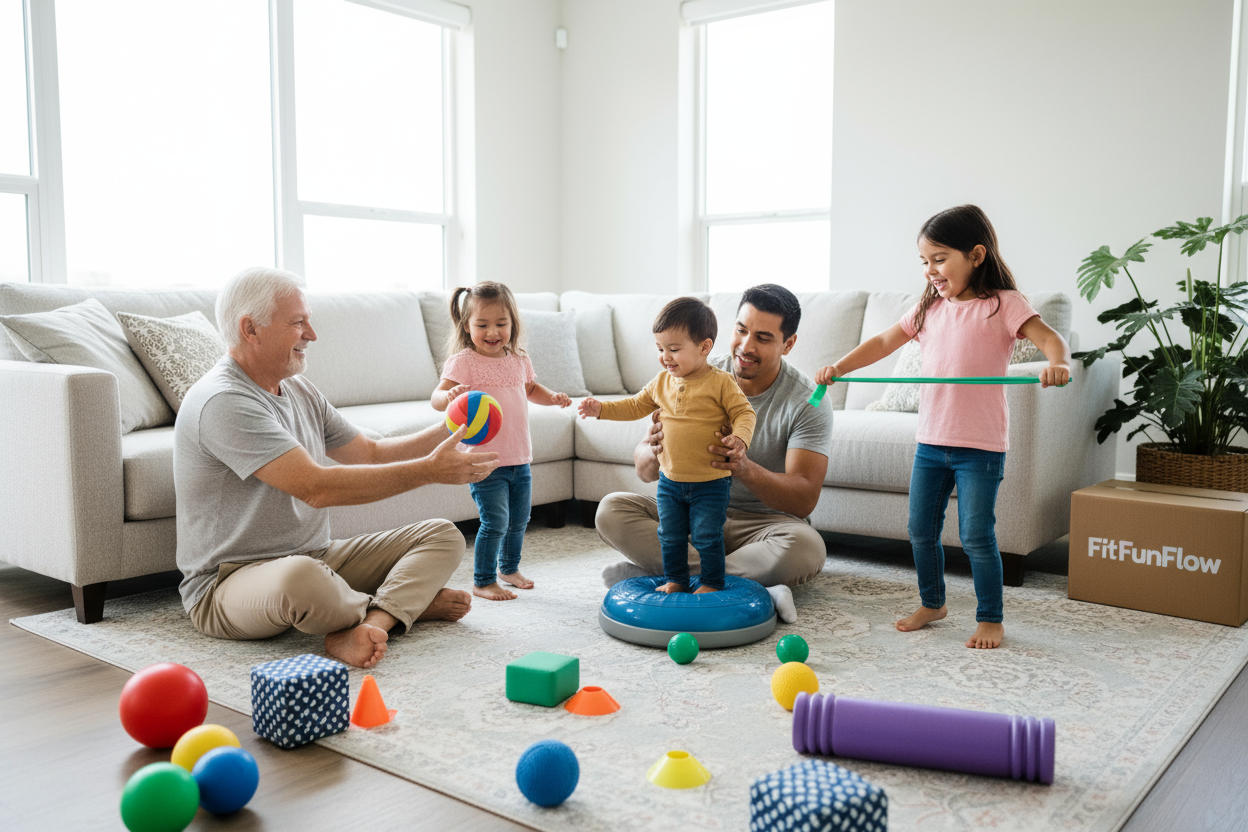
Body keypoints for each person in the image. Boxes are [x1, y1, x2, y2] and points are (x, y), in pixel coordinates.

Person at [175, 267, 499, 669]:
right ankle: (403, 604)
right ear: (250, 329)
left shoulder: (297, 387)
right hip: (227, 583)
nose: (312, 334)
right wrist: (430, 470)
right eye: (299, 323)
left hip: (316, 556)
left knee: (443, 536)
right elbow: (317, 487)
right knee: (302, 579)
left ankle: (376, 619)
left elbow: (370, 451)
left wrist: (452, 425)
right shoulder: (223, 400)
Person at [816, 205, 1071, 649]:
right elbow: (881, 342)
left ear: (976, 255)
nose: (930, 270)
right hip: (931, 442)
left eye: (939, 258)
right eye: (924, 262)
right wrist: (839, 367)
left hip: (981, 446)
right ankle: (933, 602)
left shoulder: (1003, 305)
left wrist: (1058, 362)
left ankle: (990, 617)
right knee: (919, 530)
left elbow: (1049, 338)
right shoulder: (929, 307)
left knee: (976, 534)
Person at [594, 285, 831, 621]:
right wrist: (652, 447)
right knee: (611, 510)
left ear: (788, 344)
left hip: (761, 526)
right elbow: (646, 471)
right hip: (688, 509)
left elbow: (804, 499)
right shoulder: (691, 369)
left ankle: (670, 574)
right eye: (741, 330)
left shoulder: (807, 400)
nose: (746, 347)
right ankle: (745, 586)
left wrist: (744, 467)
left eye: (763, 338)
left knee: (807, 548)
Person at [579, 298, 756, 595]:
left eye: (674, 349)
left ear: (704, 347)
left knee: (706, 535)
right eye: (660, 349)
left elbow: (745, 413)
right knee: (670, 535)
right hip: (670, 483)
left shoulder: (721, 383)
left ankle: (712, 582)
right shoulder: (661, 382)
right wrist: (601, 409)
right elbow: (634, 405)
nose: (665, 357)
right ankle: (676, 579)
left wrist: (739, 438)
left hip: (710, 483)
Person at [431, 282, 572, 601]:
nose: (492, 331)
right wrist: (449, 396)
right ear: (467, 327)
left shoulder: (518, 358)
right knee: (495, 521)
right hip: (482, 460)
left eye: (501, 324)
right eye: (482, 325)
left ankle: (508, 568)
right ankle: (482, 580)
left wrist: (554, 398)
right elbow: (437, 398)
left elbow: (531, 390)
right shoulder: (463, 361)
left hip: (519, 457)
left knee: (520, 519)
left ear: (513, 324)